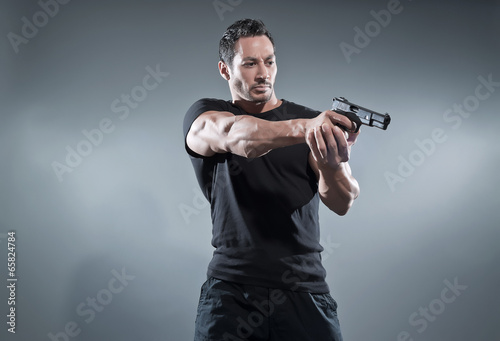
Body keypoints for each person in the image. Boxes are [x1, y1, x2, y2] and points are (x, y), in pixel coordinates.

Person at [183, 18, 360, 341]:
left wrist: (331, 163)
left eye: (269, 61)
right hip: (231, 295)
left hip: (304, 291)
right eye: (250, 63)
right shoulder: (206, 114)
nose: (263, 73)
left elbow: (343, 200)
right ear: (225, 70)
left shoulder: (310, 122)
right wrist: (307, 128)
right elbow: (241, 137)